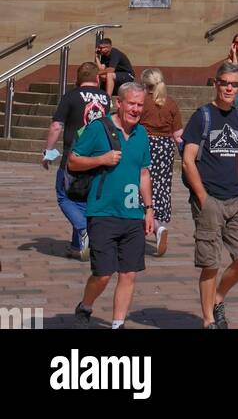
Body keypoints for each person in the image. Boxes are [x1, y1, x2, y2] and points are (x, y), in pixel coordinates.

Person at [67, 81, 153, 330]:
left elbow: (144, 173)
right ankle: (86, 304)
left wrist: (149, 209)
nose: (136, 109)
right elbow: (73, 161)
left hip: (133, 214)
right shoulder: (98, 129)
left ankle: (118, 323)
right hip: (102, 212)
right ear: (119, 103)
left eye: (140, 105)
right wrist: (101, 159)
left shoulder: (142, 133)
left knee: (129, 273)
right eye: (132, 104)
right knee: (103, 273)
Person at [181, 62, 238, 330]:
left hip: (237, 199)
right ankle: (208, 320)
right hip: (209, 198)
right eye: (224, 82)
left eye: (234, 84)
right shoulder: (202, 116)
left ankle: (218, 298)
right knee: (210, 263)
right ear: (216, 84)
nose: (228, 88)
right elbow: (188, 161)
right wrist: (202, 197)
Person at [42, 61, 110, 261]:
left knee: (64, 197)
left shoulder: (70, 96)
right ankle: (77, 246)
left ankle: (82, 229)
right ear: (97, 78)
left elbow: (56, 126)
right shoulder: (106, 98)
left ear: (78, 79)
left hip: (74, 157)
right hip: (98, 158)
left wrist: (48, 151)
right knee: (82, 201)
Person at [139, 68, 183, 257]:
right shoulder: (171, 102)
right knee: (161, 187)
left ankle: (155, 228)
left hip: (144, 143)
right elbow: (178, 135)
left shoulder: (142, 101)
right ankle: (158, 225)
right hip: (165, 147)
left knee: (140, 186)